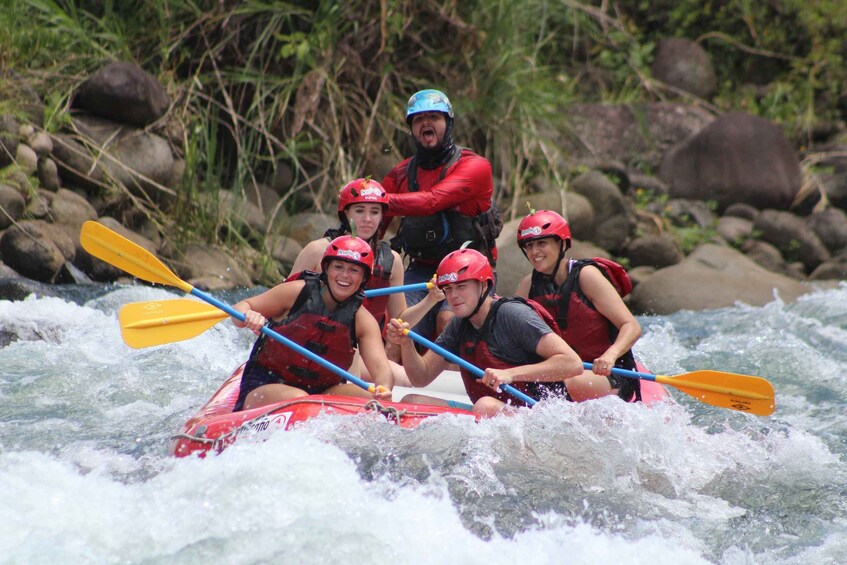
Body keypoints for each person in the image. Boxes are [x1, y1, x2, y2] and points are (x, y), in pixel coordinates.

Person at [386, 248, 615, 417]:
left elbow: (572, 364)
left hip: (538, 415)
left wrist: (511, 374)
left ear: (484, 286)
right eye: (448, 289)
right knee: (411, 401)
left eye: (462, 287)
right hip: (490, 410)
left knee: (485, 406)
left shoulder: (512, 315)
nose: (453, 296)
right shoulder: (459, 323)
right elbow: (420, 377)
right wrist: (406, 345)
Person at [289, 177, 444, 385]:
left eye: (375, 212)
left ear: (382, 217)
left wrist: (431, 300)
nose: (367, 219)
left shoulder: (392, 261)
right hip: (312, 342)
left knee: (408, 380)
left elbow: (399, 319)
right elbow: (285, 304)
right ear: (346, 213)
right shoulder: (317, 251)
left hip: (362, 349)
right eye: (360, 211)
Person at [381, 88, 501, 341]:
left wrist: (375, 197)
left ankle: (456, 376)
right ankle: (396, 377)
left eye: (434, 117)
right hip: (422, 271)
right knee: (396, 328)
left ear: (448, 123)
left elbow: (432, 201)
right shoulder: (400, 175)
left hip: (468, 269)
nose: (426, 123)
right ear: (412, 129)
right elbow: (371, 223)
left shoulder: (474, 166)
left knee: (448, 320)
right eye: (418, 120)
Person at [231, 235, 393, 411]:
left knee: (373, 402)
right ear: (326, 269)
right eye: (338, 267)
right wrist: (248, 315)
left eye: (354, 270)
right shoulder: (295, 293)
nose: (345, 275)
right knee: (300, 400)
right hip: (265, 384)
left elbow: (382, 372)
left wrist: (383, 389)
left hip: (322, 391)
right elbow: (241, 308)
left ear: (363, 278)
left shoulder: (363, 320)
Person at [514, 209, 643, 402]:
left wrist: (610, 355)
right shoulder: (528, 286)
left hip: (609, 373)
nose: (534, 252)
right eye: (529, 245)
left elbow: (631, 326)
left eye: (542, 243)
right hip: (560, 372)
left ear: (562, 243)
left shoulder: (586, 275)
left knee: (573, 382)